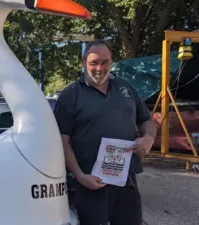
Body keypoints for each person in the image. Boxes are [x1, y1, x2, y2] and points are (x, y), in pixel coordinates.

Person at [54, 40, 157, 225]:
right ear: (83, 63)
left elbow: (146, 119)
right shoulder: (70, 95)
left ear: (111, 62)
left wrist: (148, 138)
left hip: (127, 181)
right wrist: (80, 176)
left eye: (105, 62)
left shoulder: (126, 88)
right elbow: (62, 140)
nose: (99, 68)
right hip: (90, 183)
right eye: (93, 62)